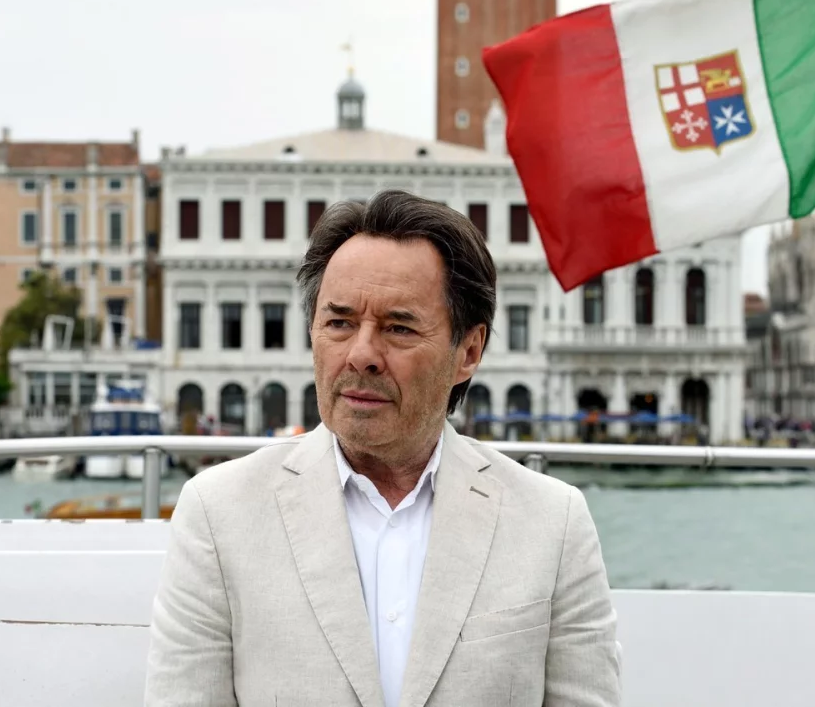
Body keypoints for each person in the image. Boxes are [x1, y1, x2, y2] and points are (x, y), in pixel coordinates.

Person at [145, 189, 621, 706]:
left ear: (468, 351)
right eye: (339, 323)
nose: (361, 354)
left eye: (398, 328)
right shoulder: (218, 513)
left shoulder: (554, 523)